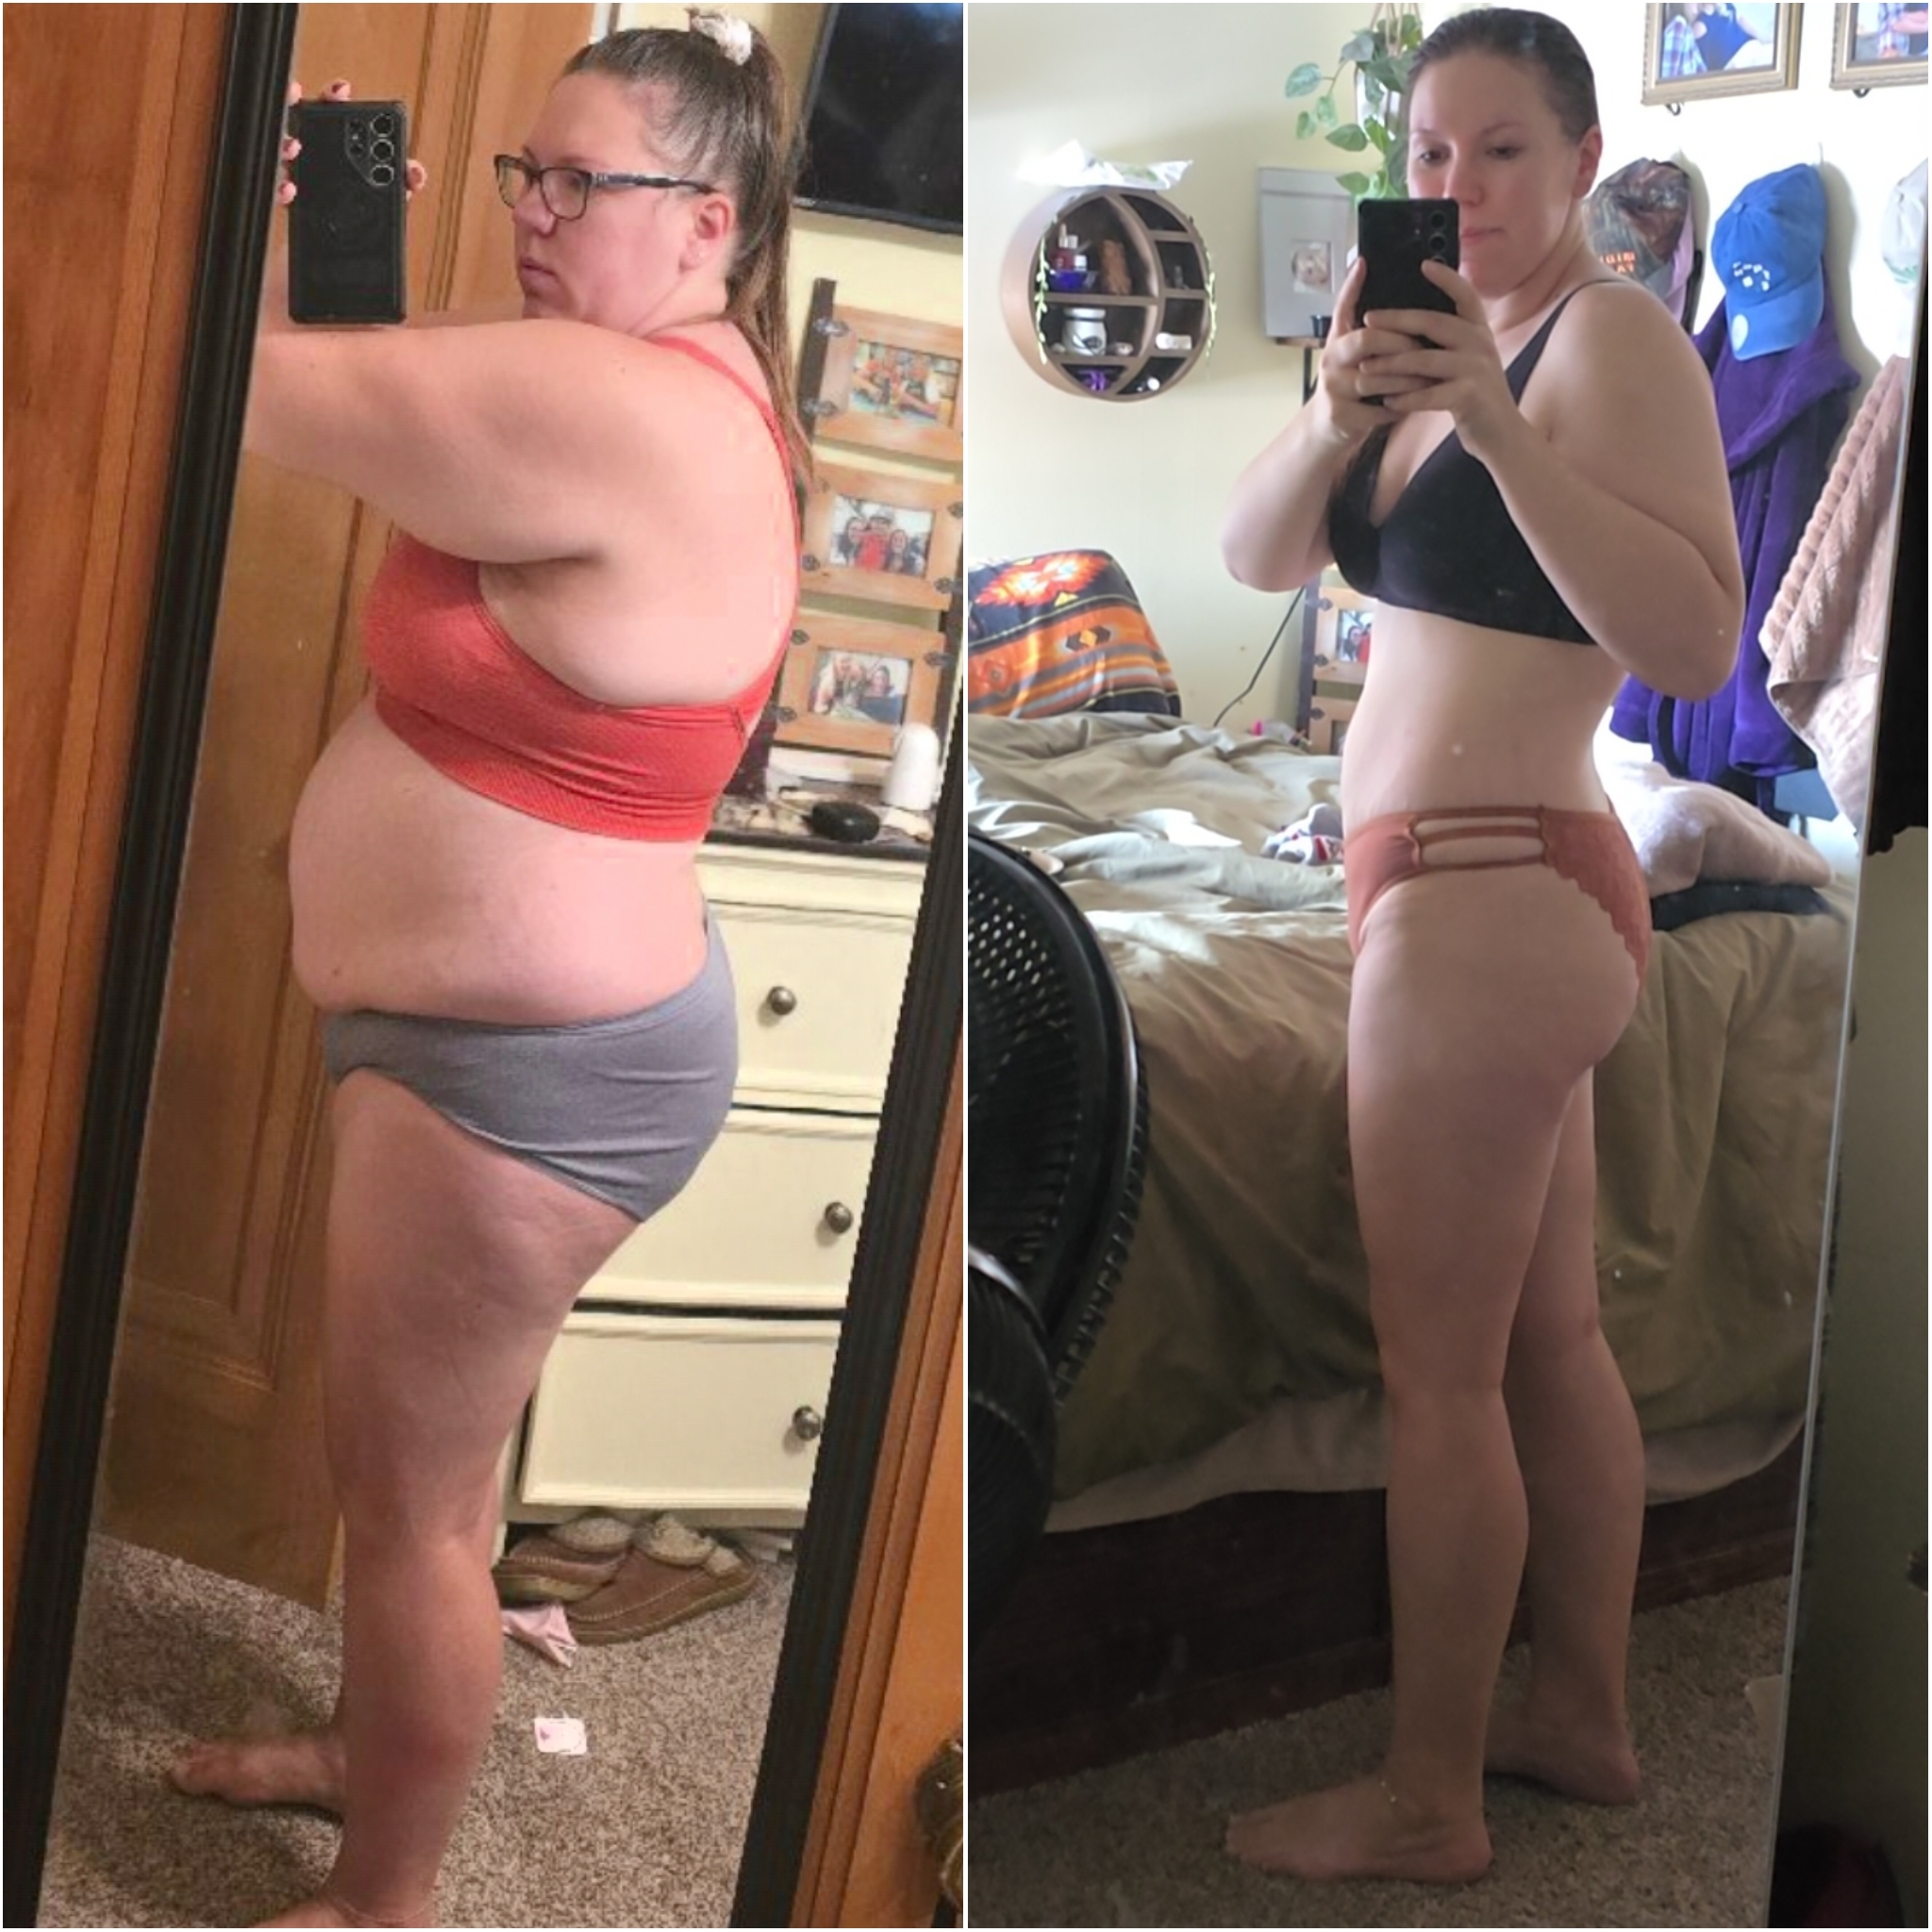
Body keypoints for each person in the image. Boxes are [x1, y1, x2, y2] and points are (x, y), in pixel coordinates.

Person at [165, 13, 805, 1927]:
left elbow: (249, 387)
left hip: (525, 1071)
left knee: (419, 1507)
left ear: (708, 218)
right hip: (482, 1044)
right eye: (526, 173)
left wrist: (246, 236)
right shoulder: (615, 370)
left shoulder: (631, 411)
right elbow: (346, 367)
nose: (533, 213)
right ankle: (373, 1755)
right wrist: (311, 248)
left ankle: (392, 1902)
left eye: (579, 182)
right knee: (395, 1475)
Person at [1220, 8, 1742, 1885]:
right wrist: (1340, 406)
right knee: (1546, 1340)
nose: (1458, 185)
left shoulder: (1614, 346)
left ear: (1582, 158)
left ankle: (1428, 1798)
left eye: (1500, 148)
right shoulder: (1421, 342)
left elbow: (1690, 645)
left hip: (1493, 888)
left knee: (1438, 1376)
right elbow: (1257, 560)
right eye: (1432, 152)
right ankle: (1578, 1718)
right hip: (1467, 889)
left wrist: (1500, 432)